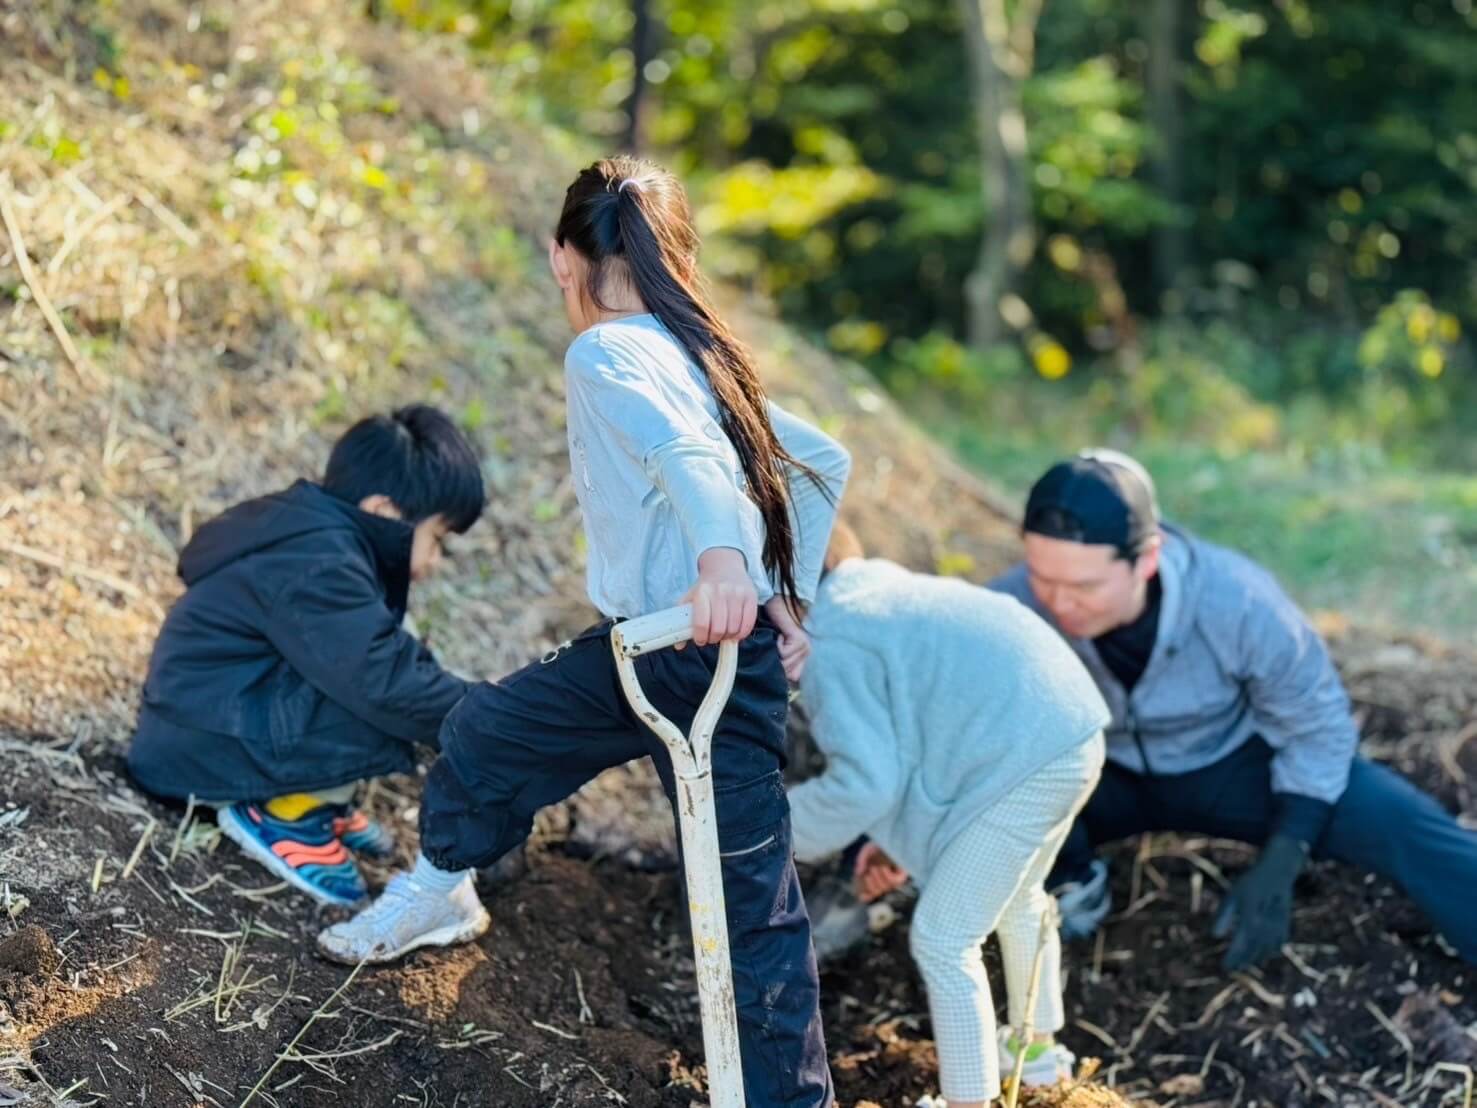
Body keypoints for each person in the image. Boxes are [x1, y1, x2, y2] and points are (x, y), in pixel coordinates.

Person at [317, 156, 849, 1107]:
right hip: (652, 645)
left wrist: (731, 570)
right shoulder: (696, 355)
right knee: (489, 730)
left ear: (560, 257)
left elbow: (689, 457)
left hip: (700, 656)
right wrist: (784, 596)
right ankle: (440, 889)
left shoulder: (607, 353)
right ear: (677, 259)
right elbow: (820, 461)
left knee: (744, 900)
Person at [990, 449, 1477, 970]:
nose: (1059, 603)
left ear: (1147, 559)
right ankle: (1070, 879)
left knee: (1402, 823)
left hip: (1229, 766)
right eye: (1042, 578)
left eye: (1084, 586)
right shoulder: (1005, 609)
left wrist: (1285, 855)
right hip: (1095, 775)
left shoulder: (1239, 602)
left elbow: (1317, 729)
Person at [788, 522, 1109, 1108]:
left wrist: (772, 829)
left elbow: (864, 785)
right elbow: (924, 730)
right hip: (1069, 730)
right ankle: (1038, 1052)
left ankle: (969, 1099)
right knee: (1020, 896)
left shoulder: (832, 639)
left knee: (943, 938)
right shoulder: (882, 598)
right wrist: (898, 839)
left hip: (1024, 755)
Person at [128, 405, 485, 906]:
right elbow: (385, 683)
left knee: (397, 656)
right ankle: (286, 813)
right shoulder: (320, 565)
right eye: (437, 539)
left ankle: (320, 796)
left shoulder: (316, 537)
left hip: (204, 724)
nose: (436, 559)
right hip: (198, 753)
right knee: (392, 694)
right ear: (385, 511)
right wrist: (492, 716)